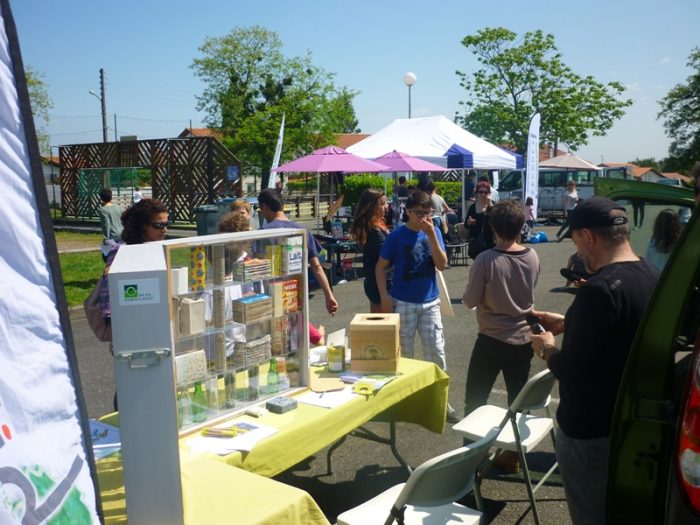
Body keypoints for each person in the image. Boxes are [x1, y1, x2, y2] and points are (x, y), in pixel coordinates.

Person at [530, 197, 659, 525]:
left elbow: (571, 370)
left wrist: (547, 347)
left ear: (588, 236)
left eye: (575, 241)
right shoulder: (650, 274)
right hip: (628, 422)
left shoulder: (598, 290)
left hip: (590, 432)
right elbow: (620, 333)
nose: (578, 253)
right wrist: (570, 323)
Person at [462, 200, 540, 439]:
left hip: (491, 339)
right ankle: (513, 456)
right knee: (517, 402)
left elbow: (470, 300)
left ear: (493, 227)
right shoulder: (532, 256)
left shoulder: (485, 259)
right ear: (521, 226)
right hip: (523, 338)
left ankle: (471, 459)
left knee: (475, 401)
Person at [375, 190, 456, 419]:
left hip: (430, 301)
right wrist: (383, 296)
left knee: (437, 353)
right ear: (408, 211)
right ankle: (404, 400)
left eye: (428, 213)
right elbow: (380, 267)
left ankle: (441, 401)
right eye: (419, 213)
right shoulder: (397, 236)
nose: (424, 218)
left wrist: (431, 234)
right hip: (403, 301)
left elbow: (442, 265)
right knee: (405, 355)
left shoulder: (434, 231)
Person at [98, 198, 169, 409]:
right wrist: (117, 331)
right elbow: (108, 294)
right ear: (142, 225)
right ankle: (125, 418)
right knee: (133, 378)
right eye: (159, 225)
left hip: (155, 326)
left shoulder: (157, 249)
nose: (165, 229)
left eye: (166, 223)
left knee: (152, 379)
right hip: (129, 330)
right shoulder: (122, 251)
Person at [258, 188, 338, 316]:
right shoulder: (302, 230)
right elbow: (317, 267)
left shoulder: (262, 233)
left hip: (270, 296)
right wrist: (329, 295)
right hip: (296, 294)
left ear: (264, 206)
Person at [350, 188, 391, 313]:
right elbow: (386, 256)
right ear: (372, 207)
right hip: (379, 282)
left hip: (373, 281)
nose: (387, 207)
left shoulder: (371, 225)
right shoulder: (374, 231)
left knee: (378, 322)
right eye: (383, 204)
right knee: (383, 324)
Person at [464, 181, 495, 260]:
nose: (483, 194)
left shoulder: (493, 206)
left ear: (489, 193)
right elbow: (466, 225)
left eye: (486, 192)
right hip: (476, 242)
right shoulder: (472, 207)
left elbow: (497, 220)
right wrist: (469, 222)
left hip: (490, 242)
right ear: (477, 193)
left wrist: (490, 205)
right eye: (481, 192)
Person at [98, 189, 123, 261]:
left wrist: (106, 238)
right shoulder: (118, 207)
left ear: (101, 198)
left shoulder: (103, 210)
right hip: (122, 235)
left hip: (112, 237)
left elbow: (106, 224)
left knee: (109, 258)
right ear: (111, 197)